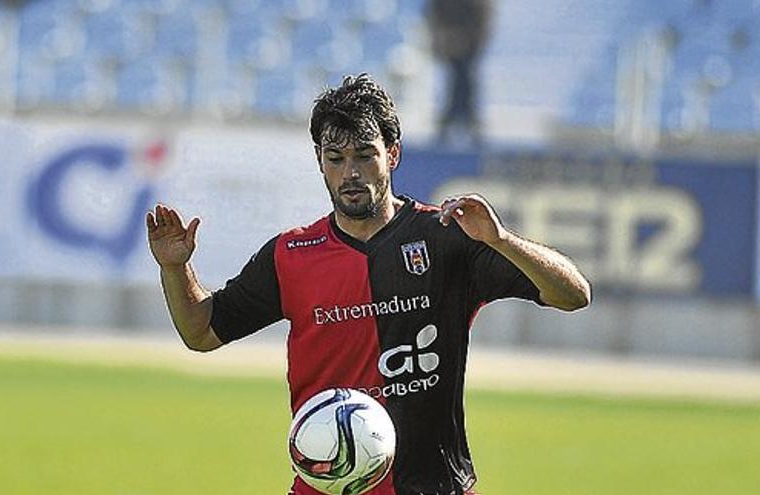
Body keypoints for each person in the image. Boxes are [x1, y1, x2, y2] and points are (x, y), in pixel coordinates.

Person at [146, 74, 591, 495]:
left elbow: (573, 294)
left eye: (364, 155)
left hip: (432, 486)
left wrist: (502, 240)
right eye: (335, 159)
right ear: (319, 161)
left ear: (392, 154)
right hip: (326, 487)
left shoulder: (445, 237)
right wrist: (174, 269)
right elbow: (201, 332)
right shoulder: (290, 255)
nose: (350, 173)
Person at [426, 0, 492, 148]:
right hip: (451, 37)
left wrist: (470, 37)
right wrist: (444, 35)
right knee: (458, 79)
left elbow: (483, 15)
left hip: (470, 40)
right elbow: (436, 13)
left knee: (465, 78)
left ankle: (462, 121)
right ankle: (457, 121)